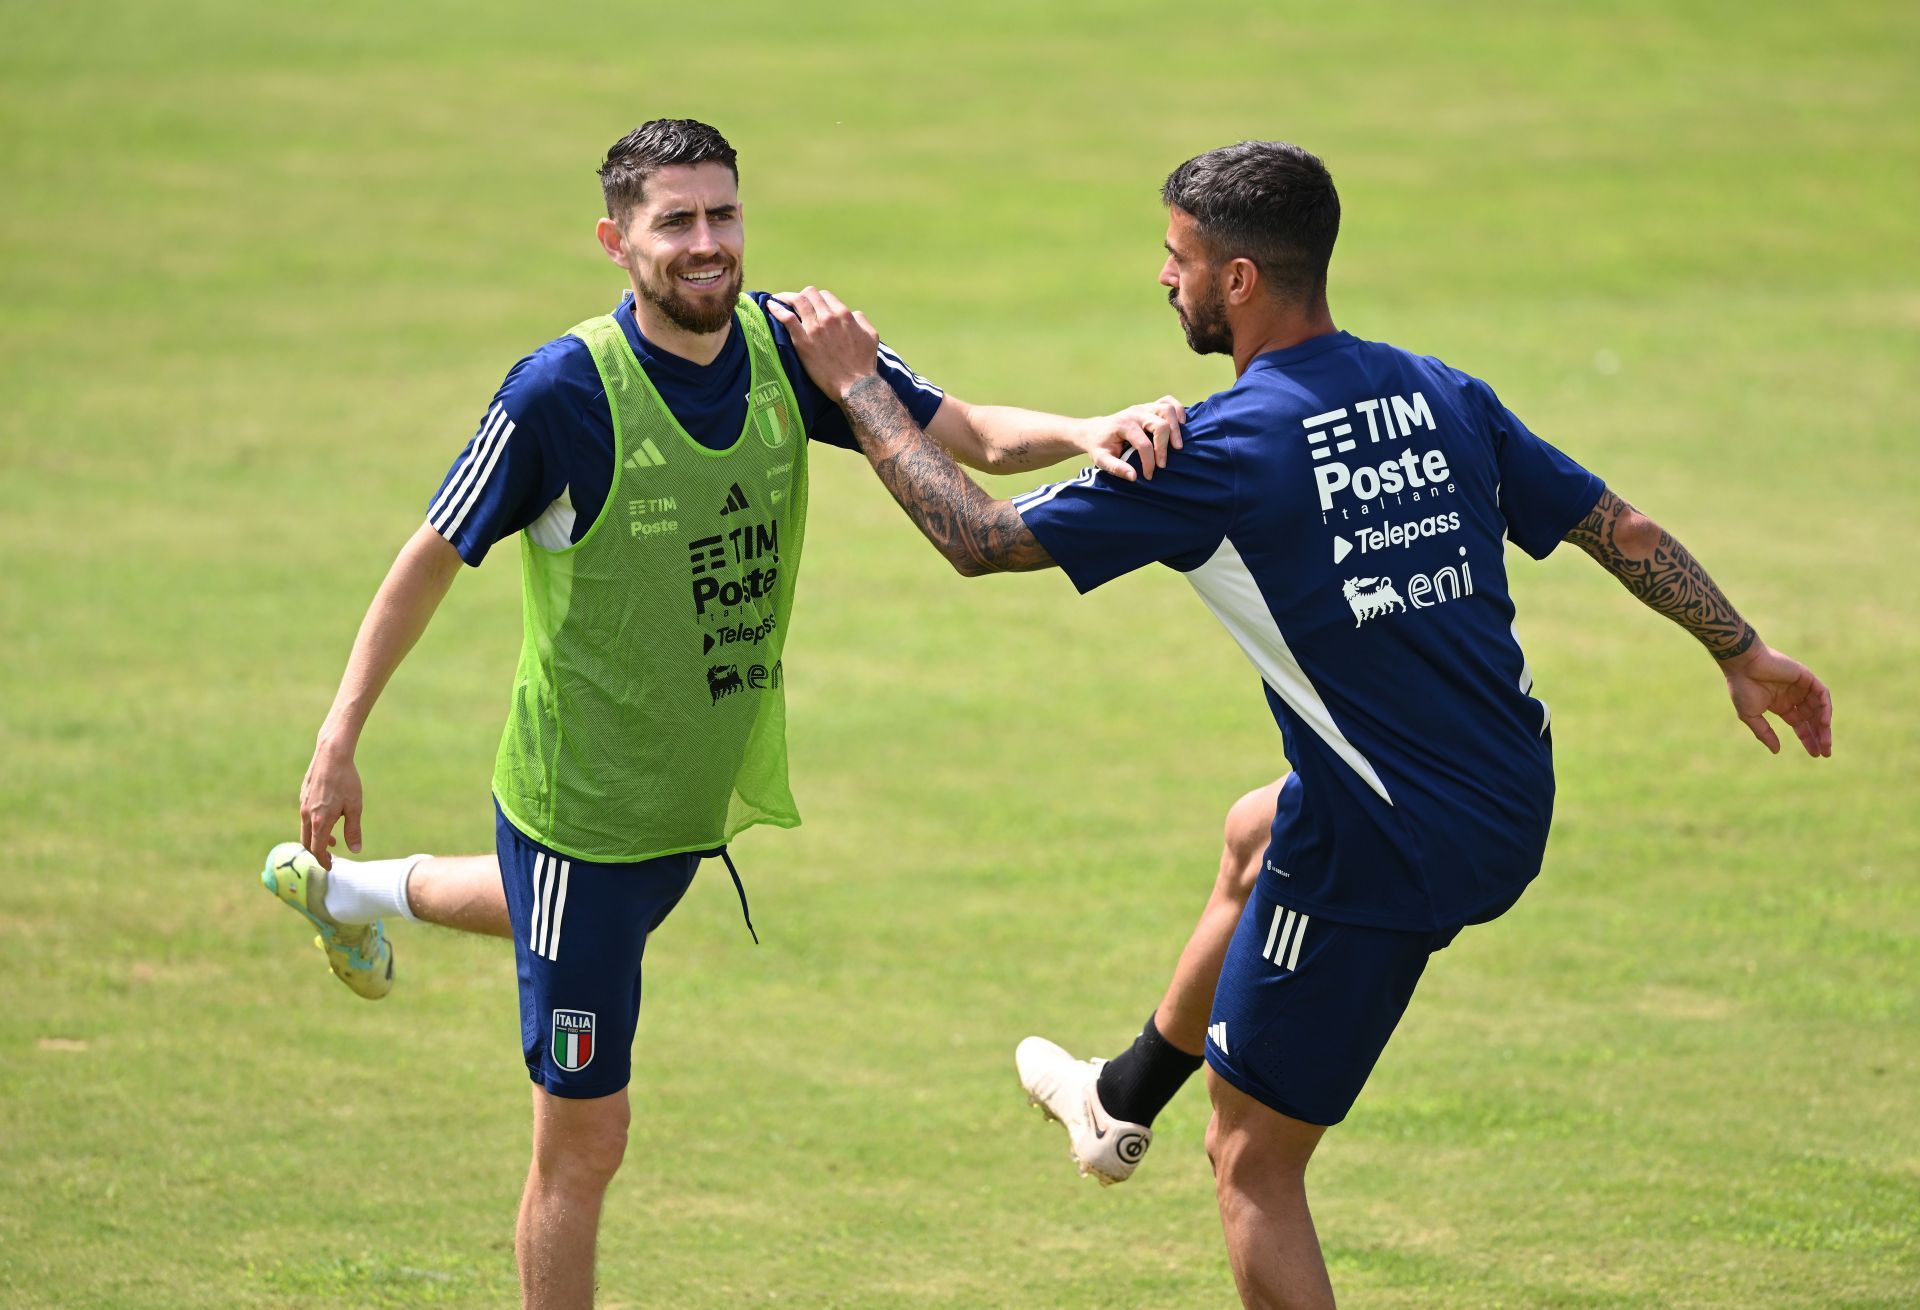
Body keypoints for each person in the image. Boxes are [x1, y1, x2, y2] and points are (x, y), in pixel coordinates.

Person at [765, 140, 1833, 1309]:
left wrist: (854, 381)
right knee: (1253, 830)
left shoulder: (1217, 454)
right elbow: (1615, 527)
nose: (1161, 278)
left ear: (1237, 280)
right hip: (1509, 792)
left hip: (1388, 846)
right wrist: (1741, 648)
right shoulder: (1439, 389)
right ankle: (1116, 1101)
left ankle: (1144, 1113)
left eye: (1177, 258)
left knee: (1251, 1162)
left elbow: (978, 539)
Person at [260, 118, 1182, 1310]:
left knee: (590, 908)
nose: (708, 244)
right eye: (676, 222)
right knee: (584, 1145)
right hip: (583, 808)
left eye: (725, 215)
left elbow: (965, 434)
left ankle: (348, 893)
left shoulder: (792, 345)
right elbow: (430, 555)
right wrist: (338, 738)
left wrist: (1086, 429)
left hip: (680, 802)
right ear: (615, 241)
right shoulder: (561, 395)